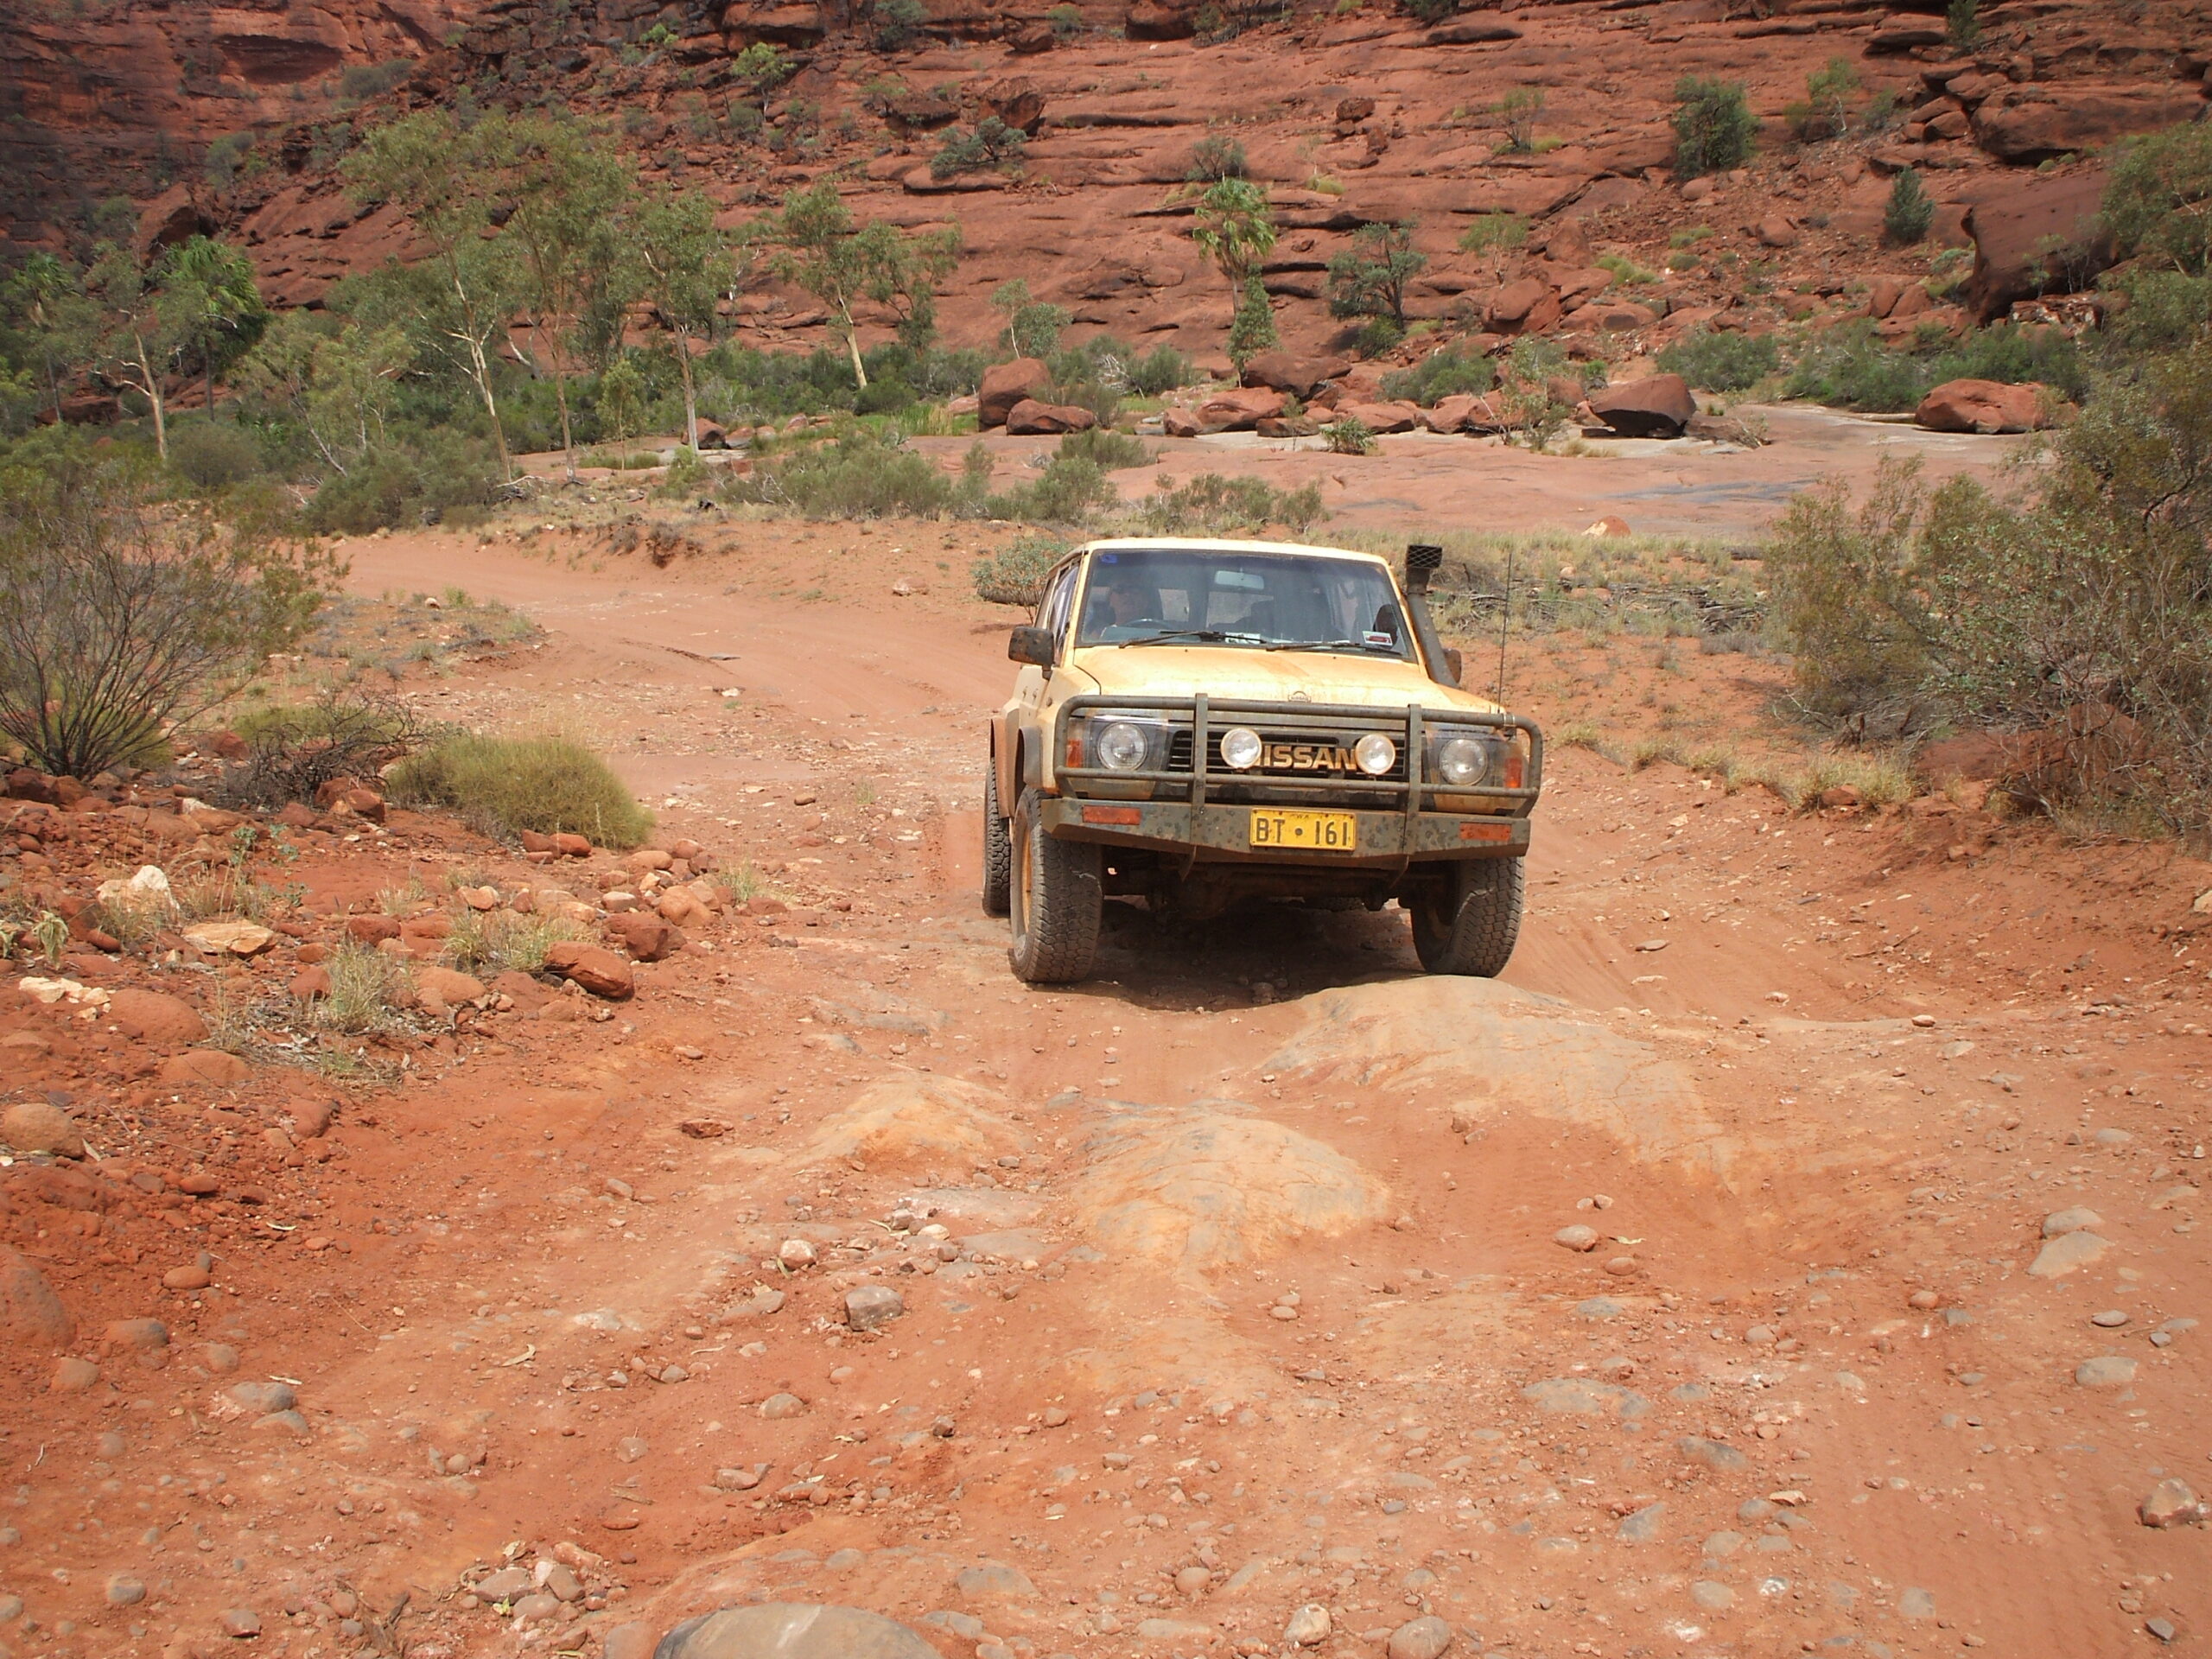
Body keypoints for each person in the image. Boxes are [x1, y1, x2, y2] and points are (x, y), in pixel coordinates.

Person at [1084, 564, 1156, 632]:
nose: (1127, 594)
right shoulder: (1098, 636)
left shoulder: (1160, 635)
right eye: (1120, 589)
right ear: (1110, 600)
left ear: (1146, 601)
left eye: (1134, 589)